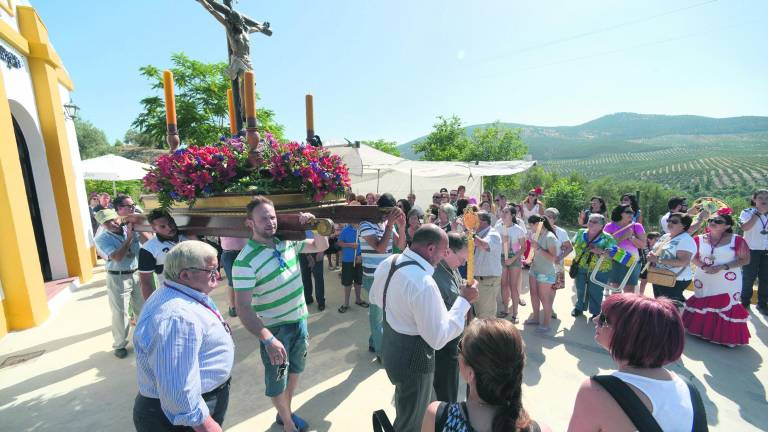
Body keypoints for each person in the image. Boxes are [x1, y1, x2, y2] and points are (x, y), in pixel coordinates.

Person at [369, 224, 479, 432]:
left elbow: (375, 298)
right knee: (411, 421)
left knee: (412, 406)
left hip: (392, 350)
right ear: (430, 249)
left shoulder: (390, 262)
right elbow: (437, 338)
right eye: (443, 252)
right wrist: (464, 301)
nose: (443, 257)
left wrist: (403, 314)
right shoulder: (423, 282)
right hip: (415, 361)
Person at [232, 196, 328, 432]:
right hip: (275, 330)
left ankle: (285, 412)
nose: (270, 222)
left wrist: (315, 225)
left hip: (299, 322)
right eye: (263, 218)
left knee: (294, 371)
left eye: (272, 217)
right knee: (277, 382)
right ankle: (287, 423)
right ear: (250, 223)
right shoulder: (244, 261)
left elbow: (320, 246)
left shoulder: (288, 243)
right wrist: (268, 338)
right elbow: (243, 308)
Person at [133, 241, 234, 432]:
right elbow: (176, 386)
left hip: (193, 408)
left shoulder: (180, 291)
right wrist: (204, 424)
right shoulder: (177, 316)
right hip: (183, 420)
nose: (218, 275)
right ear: (185, 274)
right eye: (211, 270)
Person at [568, 294, 707, 432]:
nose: (595, 319)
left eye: (604, 319)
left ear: (631, 334)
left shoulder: (597, 391)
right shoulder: (689, 389)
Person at [423, 319, 548, 432]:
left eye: (461, 347)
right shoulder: (540, 430)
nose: (459, 352)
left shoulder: (437, 417)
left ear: (470, 373)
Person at [683, 210, 751, 346]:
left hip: (728, 279)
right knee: (703, 299)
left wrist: (723, 267)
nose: (713, 223)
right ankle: (702, 331)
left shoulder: (737, 240)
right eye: (711, 221)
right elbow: (693, 257)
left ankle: (725, 337)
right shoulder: (699, 239)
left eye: (718, 221)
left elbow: (745, 260)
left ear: (727, 226)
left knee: (727, 304)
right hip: (704, 277)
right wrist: (703, 266)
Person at [360, 193, 406, 357]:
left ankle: (374, 342)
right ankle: (381, 353)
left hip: (386, 275)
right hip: (372, 277)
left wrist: (400, 226)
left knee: (382, 312)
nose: (387, 216)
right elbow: (380, 247)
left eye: (391, 212)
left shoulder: (388, 223)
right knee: (377, 314)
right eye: (386, 212)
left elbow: (401, 246)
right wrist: (390, 225)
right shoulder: (365, 225)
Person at [93, 209, 143, 359]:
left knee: (142, 309)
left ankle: (142, 340)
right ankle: (120, 344)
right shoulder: (102, 239)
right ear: (102, 225)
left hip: (136, 273)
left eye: (114, 219)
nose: (113, 223)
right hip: (118, 277)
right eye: (107, 222)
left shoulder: (128, 230)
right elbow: (117, 257)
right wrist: (129, 239)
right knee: (120, 313)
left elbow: (140, 249)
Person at [431, 232, 469, 403]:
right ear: (447, 252)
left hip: (454, 343)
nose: (464, 263)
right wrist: (465, 298)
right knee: (446, 394)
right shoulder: (435, 278)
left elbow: (457, 288)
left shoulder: (451, 268)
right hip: (443, 348)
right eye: (462, 259)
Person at [570, 214, 617, 319]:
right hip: (581, 265)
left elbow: (614, 255)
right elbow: (571, 244)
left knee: (596, 291)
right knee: (580, 288)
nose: (590, 223)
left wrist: (599, 251)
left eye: (594, 222)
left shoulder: (608, 238)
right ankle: (579, 307)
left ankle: (596, 312)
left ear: (602, 225)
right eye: (590, 220)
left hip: (599, 269)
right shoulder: (580, 232)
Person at [138, 209, 191, 300]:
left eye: (170, 223)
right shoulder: (148, 249)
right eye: (163, 226)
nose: (169, 228)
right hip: (171, 296)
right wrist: (151, 306)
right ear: (154, 229)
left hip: (197, 292)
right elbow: (145, 282)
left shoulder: (188, 237)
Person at [647, 212, 696, 306]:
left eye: (674, 221)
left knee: (671, 307)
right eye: (668, 220)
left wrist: (657, 260)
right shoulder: (666, 236)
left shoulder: (685, 240)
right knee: (660, 305)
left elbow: (684, 262)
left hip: (675, 278)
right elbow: (658, 251)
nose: (670, 223)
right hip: (659, 275)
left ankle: (682, 319)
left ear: (684, 225)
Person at [522, 215, 559, 332]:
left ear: (537, 224)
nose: (530, 228)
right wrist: (528, 259)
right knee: (533, 294)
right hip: (534, 269)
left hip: (546, 272)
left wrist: (538, 248)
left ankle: (546, 323)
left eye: (531, 225)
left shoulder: (550, 237)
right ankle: (536, 318)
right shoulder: (537, 235)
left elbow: (553, 258)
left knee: (544, 298)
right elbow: (534, 253)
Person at [603, 205, 646, 294]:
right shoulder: (609, 226)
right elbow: (605, 245)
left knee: (629, 292)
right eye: (628, 212)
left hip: (632, 262)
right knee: (615, 290)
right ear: (620, 213)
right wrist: (623, 237)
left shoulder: (637, 226)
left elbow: (642, 245)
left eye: (632, 212)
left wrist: (632, 237)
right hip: (615, 261)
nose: (631, 214)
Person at [740, 188, 768, 313]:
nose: (764, 201)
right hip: (751, 250)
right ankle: (744, 302)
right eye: (760, 198)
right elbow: (745, 227)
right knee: (748, 277)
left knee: (765, 278)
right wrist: (757, 214)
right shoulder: (747, 212)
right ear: (754, 199)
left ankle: (762, 304)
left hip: (766, 251)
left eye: (767, 198)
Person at [472, 211, 503, 319]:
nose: (471, 222)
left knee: (486, 317)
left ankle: (490, 336)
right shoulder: (477, 233)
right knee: (478, 314)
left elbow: (485, 245)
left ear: (483, 222)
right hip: (477, 279)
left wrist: (469, 232)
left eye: (474, 219)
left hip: (488, 280)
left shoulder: (493, 233)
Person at [499, 206, 527, 322]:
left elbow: (523, 248)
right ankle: (506, 309)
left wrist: (512, 259)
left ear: (512, 215)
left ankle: (515, 313)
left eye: (506, 212)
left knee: (513, 286)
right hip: (501, 258)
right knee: (503, 285)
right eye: (503, 211)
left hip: (514, 259)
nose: (504, 214)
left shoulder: (518, 229)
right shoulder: (498, 227)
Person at [337, 218, 368, 313]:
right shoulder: (345, 230)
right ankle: (346, 303)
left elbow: (367, 244)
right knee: (347, 282)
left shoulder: (363, 229)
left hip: (359, 260)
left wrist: (361, 256)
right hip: (347, 261)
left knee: (358, 281)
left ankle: (358, 300)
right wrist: (350, 245)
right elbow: (339, 243)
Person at [220, 236, 248, 317]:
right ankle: (233, 307)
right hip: (228, 253)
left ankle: (250, 305)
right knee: (232, 282)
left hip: (245, 251)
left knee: (250, 279)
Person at [299, 230, 326, 311]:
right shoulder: (301, 220)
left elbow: (325, 235)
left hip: (317, 251)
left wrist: (321, 251)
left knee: (318, 277)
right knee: (305, 276)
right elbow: (299, 238)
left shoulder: (319, 220)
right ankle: (308, 298)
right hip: (303, 251)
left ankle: (321, 301)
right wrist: (307, 255)